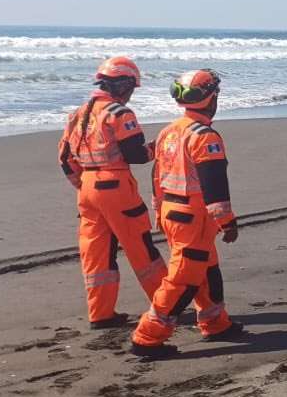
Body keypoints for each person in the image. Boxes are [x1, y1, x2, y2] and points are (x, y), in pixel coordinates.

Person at [130, 69, 244, 358]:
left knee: (208, 271)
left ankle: (216, 323)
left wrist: (159, 212)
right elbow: (214, 184)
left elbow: (157, 176)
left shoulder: (169, 131)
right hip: (194, 218)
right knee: (183, 280)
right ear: (212, 98)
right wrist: (227, 222)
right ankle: (147, 338)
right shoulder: (205, 137)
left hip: (175, 213)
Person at [58, 56, 166, 329]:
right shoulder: (120, 114)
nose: (130, 95)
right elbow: (136, 155)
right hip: (116, 188)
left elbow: (64, 158)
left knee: (97, 252)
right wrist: (157, 147)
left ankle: (101, 314)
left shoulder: (77, 114)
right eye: (131, 89)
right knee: (140, 247)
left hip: (87, 189)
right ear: (122, 86)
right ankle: (166, 303)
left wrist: (83, 184)